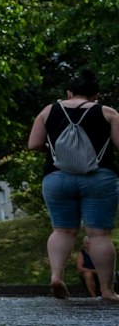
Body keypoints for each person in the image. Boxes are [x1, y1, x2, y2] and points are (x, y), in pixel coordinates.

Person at [28, 69, 119, 302]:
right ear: (96, 95)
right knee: (99, 235)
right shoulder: (108, 113)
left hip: (57, 178)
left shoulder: (49, 111)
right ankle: (107, 291)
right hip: (99, 177)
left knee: (62, 230)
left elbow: (34, 144)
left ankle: (57, 276)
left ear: (69, 93)